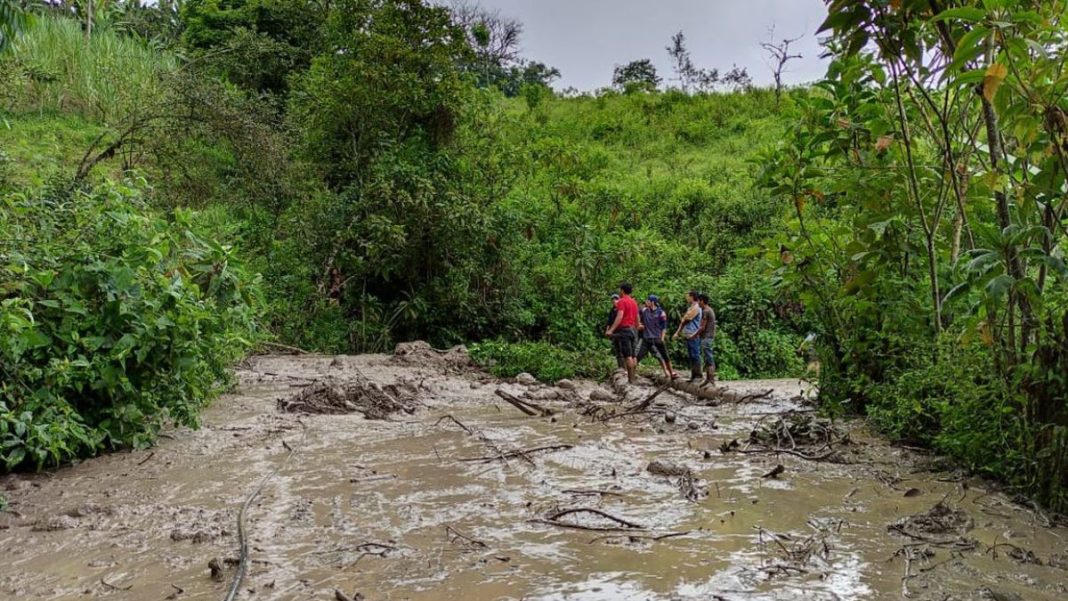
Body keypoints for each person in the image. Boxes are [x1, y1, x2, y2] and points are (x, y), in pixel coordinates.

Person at [605, 282, 640, 383]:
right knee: (633, 355)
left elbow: (619, 316)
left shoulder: (622, 302)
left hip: (625, 330)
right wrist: (637, 327)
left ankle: (630, 379)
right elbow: (637, 316)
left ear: (622, 290)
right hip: (633, 329)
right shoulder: (634, 302)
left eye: (620, 290)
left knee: (628, 355)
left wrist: (611, 330)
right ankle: (633, 377)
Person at [637, 294, 677, 379]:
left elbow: (664, 327)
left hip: (657, 338)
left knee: (665, 356)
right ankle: (630, 373)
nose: (646, 302)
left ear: (652, 302)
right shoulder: (644, 310)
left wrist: (662, 338)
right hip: (647, 338)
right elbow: (636, 312)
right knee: (638, 356)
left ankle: (671, 373)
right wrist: (638, 324)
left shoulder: (661, 313)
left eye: (648, 301)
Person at [672, 291, 704, 382]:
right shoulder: (691, 307)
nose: (686, 298)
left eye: (687, 296)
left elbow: (687, 318)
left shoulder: (696, 307)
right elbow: (684, 319)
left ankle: (698, 375)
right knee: (691, 355)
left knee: (695, 354)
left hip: (693, 334)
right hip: (688, 334)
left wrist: (684, 317)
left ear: (692, 297)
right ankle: (694, 376)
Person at [697, 293, 717, 384]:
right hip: (709, 336)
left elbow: (702, 327)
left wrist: (694, 335)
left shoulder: (705, 311)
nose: (698, 303)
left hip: (706, 337)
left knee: (709, 358)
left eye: (698, 301)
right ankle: (708, 379)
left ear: (702, 301)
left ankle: (711, 379)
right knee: (707, 357)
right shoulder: (709, 310)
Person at [606, 294, 622, 368]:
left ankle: (624, 368)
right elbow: (609, 321)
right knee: (617, 349)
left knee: (622, 349)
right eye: (613, 300)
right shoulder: (612, 310)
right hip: (614, 332)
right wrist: (608, 330)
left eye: (616, 300)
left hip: (621, 331)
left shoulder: (621, 309)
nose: (614, 301)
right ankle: (620, 366)